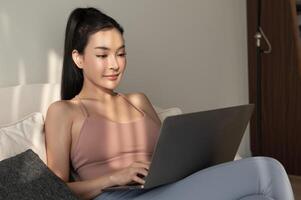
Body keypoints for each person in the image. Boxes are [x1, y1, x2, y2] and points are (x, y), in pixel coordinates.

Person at [45, 7, 294, 200]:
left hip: (167, 189)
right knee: (266, 169)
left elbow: (168, 155)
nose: (114, 64)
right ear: (78, 59)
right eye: (102, 55)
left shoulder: (137, 100)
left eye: (121, 53)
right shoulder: (65, 111)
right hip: (117, 195)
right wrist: (115, 177)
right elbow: (54, 190)